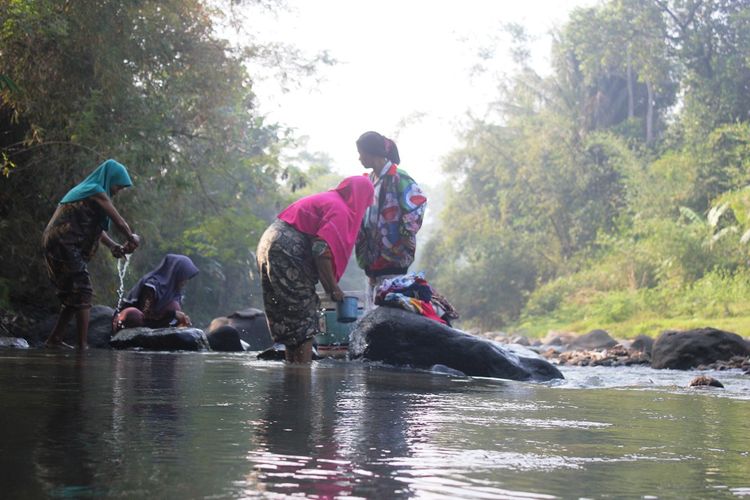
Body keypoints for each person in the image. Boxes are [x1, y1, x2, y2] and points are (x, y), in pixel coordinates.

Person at [257, 175, 374, 363]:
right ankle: (302, 381)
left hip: (269, 242)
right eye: (366, 202)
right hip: (287, 249)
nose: (365, 208)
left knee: (289, 317)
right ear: (360, 197)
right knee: (304, 317)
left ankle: (292, 378)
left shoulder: (330, 200)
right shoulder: (341, 210)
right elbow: (321, 250)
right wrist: (333, 288)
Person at [42, 159, 140, 349]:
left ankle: (54, 340)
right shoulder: (95, 190)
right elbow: (118, 222)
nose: (118, 191)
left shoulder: (90, 192)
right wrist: (131, 237)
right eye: (118, 186)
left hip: (62, 243)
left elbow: (97, 229)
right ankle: (82, 346)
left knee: (74, 295)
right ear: (109, 178)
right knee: (84, 291)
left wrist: (113, 246)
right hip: (63, 242)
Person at [354, 131, 427, 308]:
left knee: (391, 308)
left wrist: (400, 236)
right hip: (372, 259)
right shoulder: (369, 180)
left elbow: (417, 205)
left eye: (361, 153)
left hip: (393, 257)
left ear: (372, 153)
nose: (359, 158)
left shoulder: (399, 177)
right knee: (373, 309)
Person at [113, 254, 199, 332]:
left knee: (174, 306)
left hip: (153, 323)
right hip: (133, 320)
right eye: (184, 277)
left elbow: (169, 313)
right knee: (133, 314)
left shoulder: (174, 292)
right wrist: (173, 314)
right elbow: (146, 314)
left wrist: (181, 319)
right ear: (177, 274)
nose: (185, 281)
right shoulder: (151, 285)